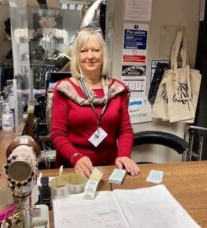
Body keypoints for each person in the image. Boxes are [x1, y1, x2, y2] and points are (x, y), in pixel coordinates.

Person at [51, 27, 140, 178]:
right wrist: (76, 157)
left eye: (95, 50)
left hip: (109, 167)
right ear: (76, 56)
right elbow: (57, 134)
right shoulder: (64, 89)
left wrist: (124, 154)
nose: (90, 56)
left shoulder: (118, 89)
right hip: (73, 167)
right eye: (84, 51)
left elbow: (125, 130)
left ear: (103, 54)